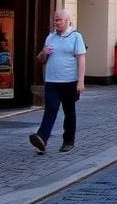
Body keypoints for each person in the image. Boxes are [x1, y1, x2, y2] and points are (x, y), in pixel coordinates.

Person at [28, 10, 86, 153]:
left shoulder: (76, 37)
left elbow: (81, 59)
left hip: (70, 81)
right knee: (50, 109)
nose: (56, 22)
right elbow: (41, 59)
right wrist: (44, 53)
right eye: (55, 20)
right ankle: (42, 139)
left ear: (67, 21)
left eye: (59, 20)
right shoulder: (50, 37)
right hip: (52, 81)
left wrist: (81, 81)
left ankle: (68, 141)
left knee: (69, 111)